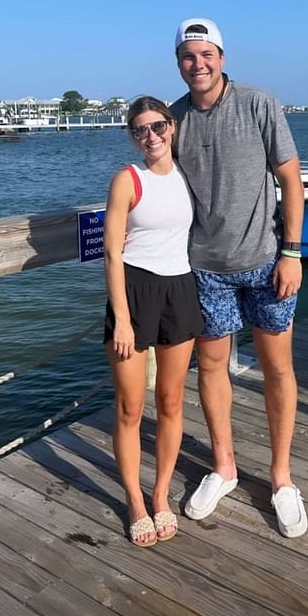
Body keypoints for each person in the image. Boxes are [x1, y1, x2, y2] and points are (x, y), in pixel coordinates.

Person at [170, 18, 308, 538]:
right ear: (178, 62)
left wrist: (292, 252)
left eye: (206, 54)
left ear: (222, 57)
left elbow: (291, 179)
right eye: (188, 56)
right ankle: (223, 467)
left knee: (277, 368)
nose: (197, 64)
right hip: (205, 268)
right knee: (210, 369)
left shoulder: (258, 103)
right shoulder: (174, 118)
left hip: (267, 262)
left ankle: (280, 478)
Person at [103, 95, 204, 547]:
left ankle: (160, 493)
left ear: (172, 126)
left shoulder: (188, 175)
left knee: (171, 402)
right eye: (141, 130)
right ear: (132, 135)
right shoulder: (127, 180)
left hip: (180, 289)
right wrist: (122, 320)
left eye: (158, 126)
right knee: (129, 407)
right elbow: (111, 253)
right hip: (136, 291)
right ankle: (135, 501)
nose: (152, 136)